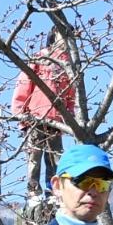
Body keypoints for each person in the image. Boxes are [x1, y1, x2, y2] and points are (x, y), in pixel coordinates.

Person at [10, 28, 77, 197]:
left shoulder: (68, 65)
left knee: (55, 159)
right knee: (34, 156)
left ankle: (53, 192)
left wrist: (70, 116)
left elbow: (71, 94)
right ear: (54, 35)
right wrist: (20, 111)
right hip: (35, 116)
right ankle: (33, 191)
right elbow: (24, 83)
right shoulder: (40, 57)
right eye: (64, 35)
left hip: (57, 120)